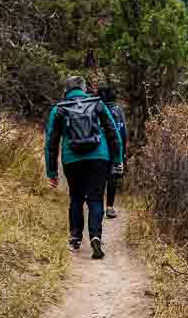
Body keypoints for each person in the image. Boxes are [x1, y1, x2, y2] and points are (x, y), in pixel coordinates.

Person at [45, 76, 124, 259]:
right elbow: (113, 133)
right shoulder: (97, 103)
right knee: (96, 199)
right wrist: (117, 159)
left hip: (72, 159)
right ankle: (95, 236)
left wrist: (52, 172)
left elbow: (51, 142)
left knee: (76, 198)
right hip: (99, 157)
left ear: (66, 90)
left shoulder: (59, 109)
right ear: (84, 88)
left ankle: (75, 238)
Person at [97, 85, 128, 219]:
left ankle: (97, 207)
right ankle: (110, 207)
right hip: (116, 148)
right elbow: (123, 131)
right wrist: (123, 151)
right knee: (112, 178)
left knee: (98, 178)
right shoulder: (118, 110)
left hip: (99, 149)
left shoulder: (96, 108)